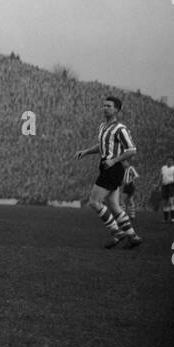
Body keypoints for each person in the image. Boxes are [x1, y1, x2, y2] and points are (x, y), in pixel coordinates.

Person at [73, 95, 141, 249]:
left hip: (113, 168)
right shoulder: (103, 126)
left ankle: (116, 232)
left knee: (94, 202)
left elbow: (131, 150)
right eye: (104, 105)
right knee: (113, 205)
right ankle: (132, 236)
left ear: (117, 110)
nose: (105, 108)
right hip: (105, 166)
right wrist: (86, 151)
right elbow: (102, 146)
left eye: (109, 106)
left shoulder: (120, 129)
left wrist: (114, 160)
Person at [159, 157, 174, 223]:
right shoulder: (163, 168)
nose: (169, 161)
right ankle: (165, 219)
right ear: (166, 160)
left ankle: (173, 218)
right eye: (168, 160)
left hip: (171, 186)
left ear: (173, 162)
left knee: (171, 202)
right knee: (165, 203)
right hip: (164, 186)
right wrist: (159, 184)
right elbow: (161, 177)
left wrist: (169, 182)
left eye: (171, 160)